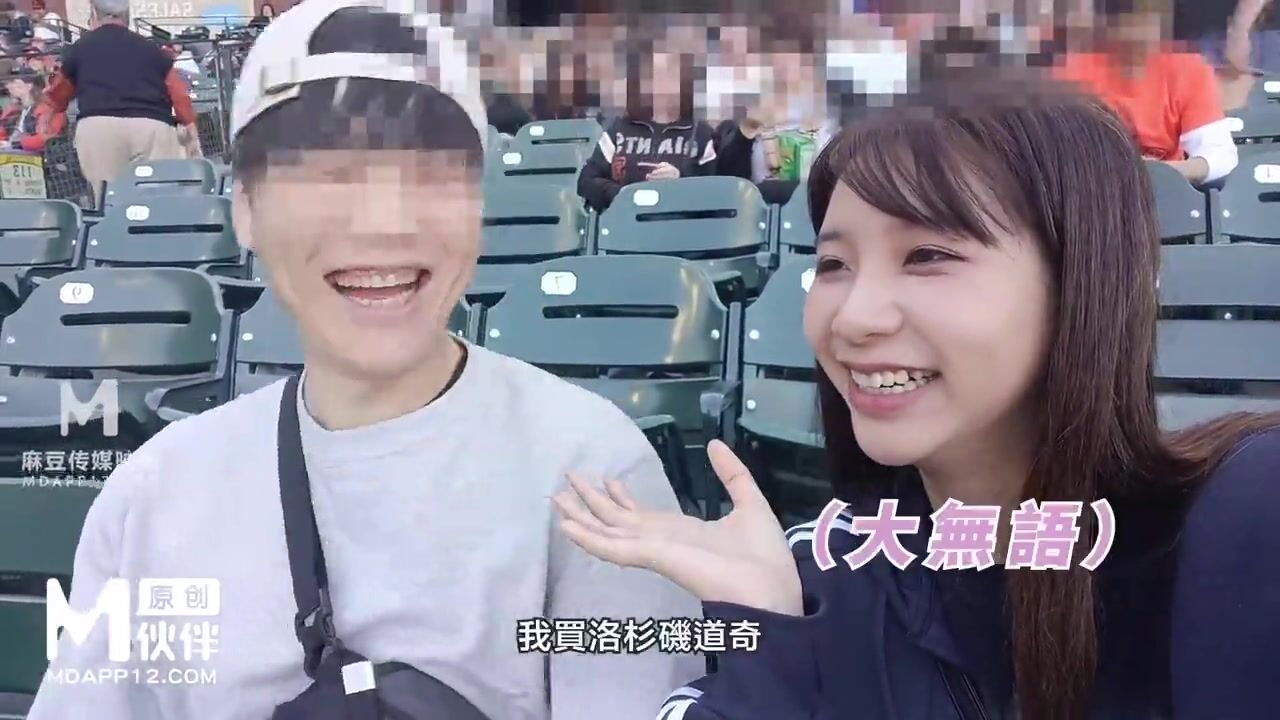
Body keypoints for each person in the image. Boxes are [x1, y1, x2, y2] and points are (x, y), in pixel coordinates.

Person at [26, 1, 701, 719]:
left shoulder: (597, 473)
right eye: (327, 176)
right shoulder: (152, 496)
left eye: (429, 176)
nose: (382, 224)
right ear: (245, 209)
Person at [551, 73, 1280, 719]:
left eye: (928, 255)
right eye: (833, 263)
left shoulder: (1240, 521)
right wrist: (775, 637)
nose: (853, 318)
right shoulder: (820, 575)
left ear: (1083, 282)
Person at [1056, 0, 1238, 186]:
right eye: (1129, 19)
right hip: (1095, 188)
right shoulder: (1071, 71)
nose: (1139, 32)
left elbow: (1220, 155)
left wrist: (1164, 172)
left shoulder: (1189, 69)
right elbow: (1058, 152)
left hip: (1166, 190)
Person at [40, 0, 199, 207]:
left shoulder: (80, 47)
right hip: (151, 125)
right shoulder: (151, 49)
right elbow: (178, 93)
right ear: (127, 16)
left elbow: (60, 91)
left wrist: (49, 113)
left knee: (108, 199)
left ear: (94, 14)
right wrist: (190, 126)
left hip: (98, 127)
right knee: (161, 195)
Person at [577, 41, 753, 213]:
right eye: (655, 75)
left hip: (679, 226)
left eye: (670, 74)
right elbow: (586, 181)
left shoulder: (701, 135)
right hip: (625, 224)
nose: (662, 83)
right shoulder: (618, 131)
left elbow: (715, 193)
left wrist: (679, 181)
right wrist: (623, 194)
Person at [0, 69, 61, 152]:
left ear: (29, 86)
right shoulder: (13, 110)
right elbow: (2, 131)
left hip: (37, 156)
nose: (9, 86)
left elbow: (44, 138)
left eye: (14, 82)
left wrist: (16, 144)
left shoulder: (46, 108)